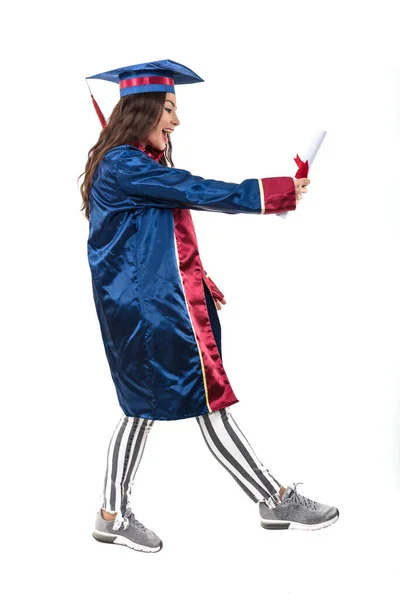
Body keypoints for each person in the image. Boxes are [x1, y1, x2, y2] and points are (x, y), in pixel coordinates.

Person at [80, 59, 339, 553]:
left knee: (142, 409)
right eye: (169, 109)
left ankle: (111, 513)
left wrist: (201, 280)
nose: (175, 121)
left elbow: (152, 242)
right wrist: (277, 192)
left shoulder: (133, 164)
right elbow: (194, 190)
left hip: (145, 308)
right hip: (154, 315)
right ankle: (273, 497)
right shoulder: (124, 164)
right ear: (144, 110)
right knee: (209, 399)